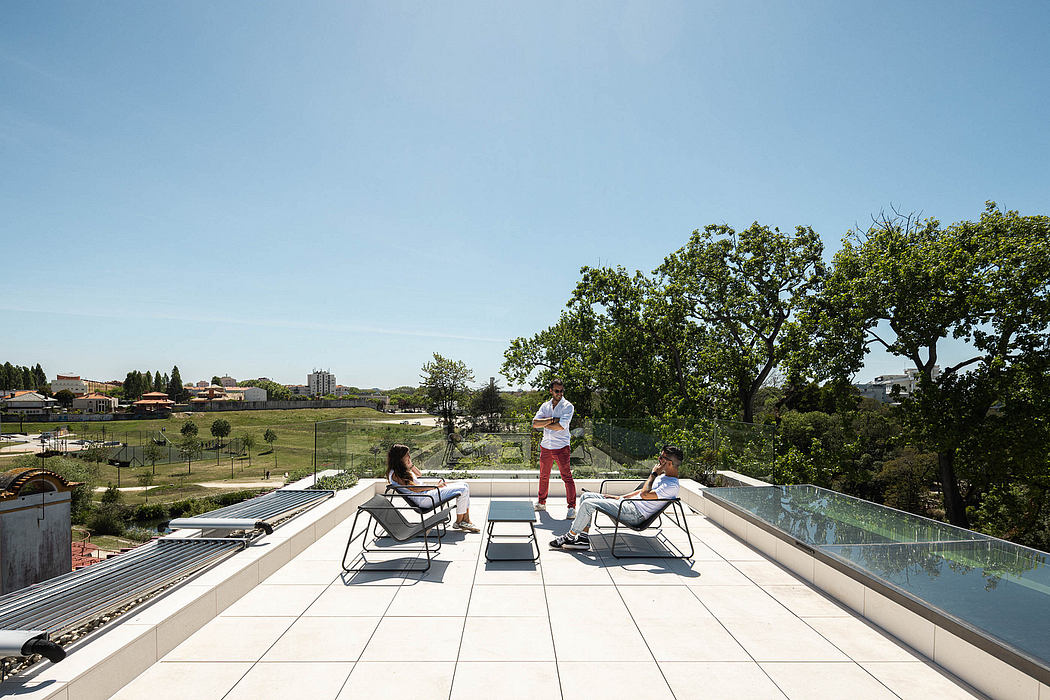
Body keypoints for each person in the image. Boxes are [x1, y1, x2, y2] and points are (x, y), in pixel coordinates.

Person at [549, 444, 683, 551]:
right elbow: (639, 492)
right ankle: (583, 539)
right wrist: (619, 497)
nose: (658, 460)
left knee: (588, 504)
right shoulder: (664, 477)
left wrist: (653, 474)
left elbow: (645, 494)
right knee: (586, 496)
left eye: (662, 458)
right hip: (628, 505)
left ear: (669, 463)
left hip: (635, 514)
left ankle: (570, 536)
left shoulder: (671, 486)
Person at [386, 443, 480, 533]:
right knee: (463, 490)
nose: (409, 456)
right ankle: (460, 522)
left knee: (464, 485)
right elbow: (414, 489)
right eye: (407, 455)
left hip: (425, 494)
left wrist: (411, 465)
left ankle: (465, 520)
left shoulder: (400, 470)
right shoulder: (396, 474)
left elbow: (419, 474)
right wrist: (435, 487)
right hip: (424, 499)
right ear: (400, 457)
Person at [532, 378, 577, 519]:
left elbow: (561, 426)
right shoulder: (545, 406)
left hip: (561, 447)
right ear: (551, 391)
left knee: (567, 477)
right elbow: (535, 423)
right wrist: (552, 419)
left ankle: (571, 507)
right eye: (557, 391)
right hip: (546, 446)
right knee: (543, 476)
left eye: (562, 391)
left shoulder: (568, 406)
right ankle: (541, 502)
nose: (560, 393)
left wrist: (544, 423)